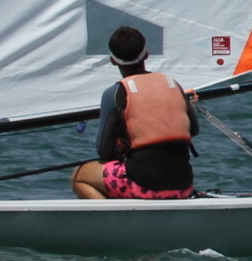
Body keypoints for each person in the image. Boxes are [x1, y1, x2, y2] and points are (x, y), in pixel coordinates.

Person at [72, 26, 199, 200]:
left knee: (79, 176)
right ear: (146, 54)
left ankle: (115, 216)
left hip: (143, 186)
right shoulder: (172, 84)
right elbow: (194, 130)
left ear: (113, 60)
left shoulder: (115, 93)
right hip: (183, 186)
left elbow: (104, 151)